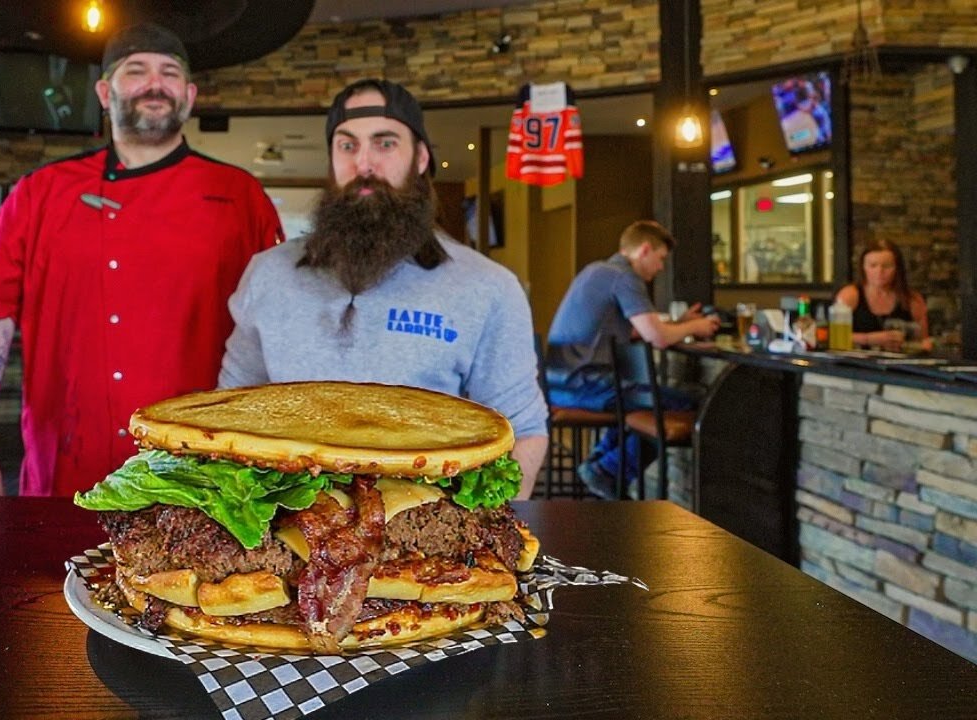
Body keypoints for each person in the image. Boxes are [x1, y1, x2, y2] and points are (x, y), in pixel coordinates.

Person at [0, 22, 283, 496]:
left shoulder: (239, 195)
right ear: (104, 92)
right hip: (67, 466)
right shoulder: (42, 193)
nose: (155, 83)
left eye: (170, 73)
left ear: (189, 95)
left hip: (201, 473)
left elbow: (276, 328)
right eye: (135, 70)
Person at [217, 78, 548, 498]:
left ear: (422, 157)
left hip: (425, 539)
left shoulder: (488, 287)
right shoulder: (267, 275)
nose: (365, 163)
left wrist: (486, 533)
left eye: (385, 143)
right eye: (347, 145)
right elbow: (228, 416)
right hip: (287, 532)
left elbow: (524, 430)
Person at [545, 220, 720, 499]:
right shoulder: (624, 277)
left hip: (562, 384)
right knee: (694, 405)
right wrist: (696, 327)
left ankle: (601, 465)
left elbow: (639, 329)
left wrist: (679, 322)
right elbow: (658, 337)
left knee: (638, 402)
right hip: (584, 385)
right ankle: (607, 470)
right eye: (660, 259)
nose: (661, 268)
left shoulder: (598, 270)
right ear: (645, 250)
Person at [834, 239, 930, 352]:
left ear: (897, 269)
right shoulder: (849, 295)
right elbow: (835, 338)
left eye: (887, 266)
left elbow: (924, 341)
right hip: (858, 363)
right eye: (873, 266)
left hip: (899, 363)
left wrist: (907, 345)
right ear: (863, 267)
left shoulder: (912, 300)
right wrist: (869, 339)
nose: (879, 272)